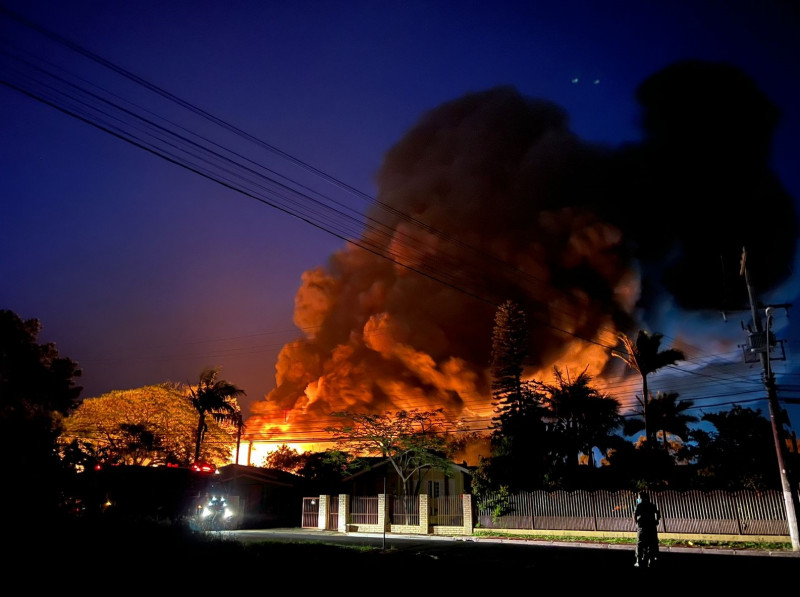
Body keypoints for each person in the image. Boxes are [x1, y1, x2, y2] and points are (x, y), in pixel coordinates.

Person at [633, 490, 661, 567]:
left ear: (641, 498)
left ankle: (638, 561)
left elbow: (635, 515)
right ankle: (650, 560)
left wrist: (637, 524)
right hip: (652, 527)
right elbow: (658, 514)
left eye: (638, 498)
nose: (638, 499)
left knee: (640, 543)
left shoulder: (639, 506)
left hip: (642, 527)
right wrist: (657, 521)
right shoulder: (652, 505)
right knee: (651, 543)